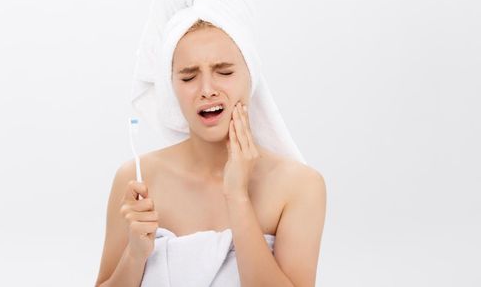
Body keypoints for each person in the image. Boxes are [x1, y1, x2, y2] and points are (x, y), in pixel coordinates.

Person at [95, 19, 327, 287]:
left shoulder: (300, 187)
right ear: (171, 86)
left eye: (224, 72)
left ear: (250, 77)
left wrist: (238, 197)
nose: (207, 90)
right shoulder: (137, 180)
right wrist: (134, 257)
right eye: (189, 77)